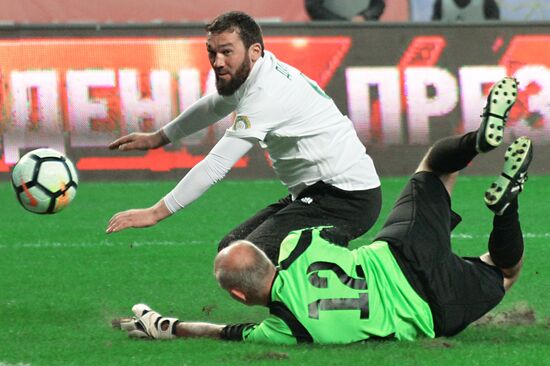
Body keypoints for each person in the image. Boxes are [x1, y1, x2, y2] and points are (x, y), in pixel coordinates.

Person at [114, 77, 533, 344]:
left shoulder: (285, 329)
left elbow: (218, 331)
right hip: (400, 250)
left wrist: (164, 325)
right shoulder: (299, 245)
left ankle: (505, 209)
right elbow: (330, 229)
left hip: (430, 309)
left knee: (502, 271)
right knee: (437, 167)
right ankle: (479, 141)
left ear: (241, 295)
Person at [105, 11, 382, 263]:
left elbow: (215, 166)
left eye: (226, 52)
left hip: (346, 200)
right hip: (314, 193)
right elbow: (215, 105)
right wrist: (159, 138)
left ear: (254, 50)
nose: (217, 62)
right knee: (232, 249)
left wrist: (155, 213)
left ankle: (350, 282)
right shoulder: (256, 70)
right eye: (212, 52)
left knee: (245, 263)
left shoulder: (266, 93)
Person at [305, 0, 386, 22]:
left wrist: (364, 16)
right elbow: (313, 6)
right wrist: (341, 23)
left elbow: (379, 4)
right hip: (329, 34)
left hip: (364, 33)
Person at [432, 0, 500, 21]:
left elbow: (495, 33)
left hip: (481, 51)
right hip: (448, 53)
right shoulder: (441, 4)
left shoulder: (487, 3)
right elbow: (433, 32)